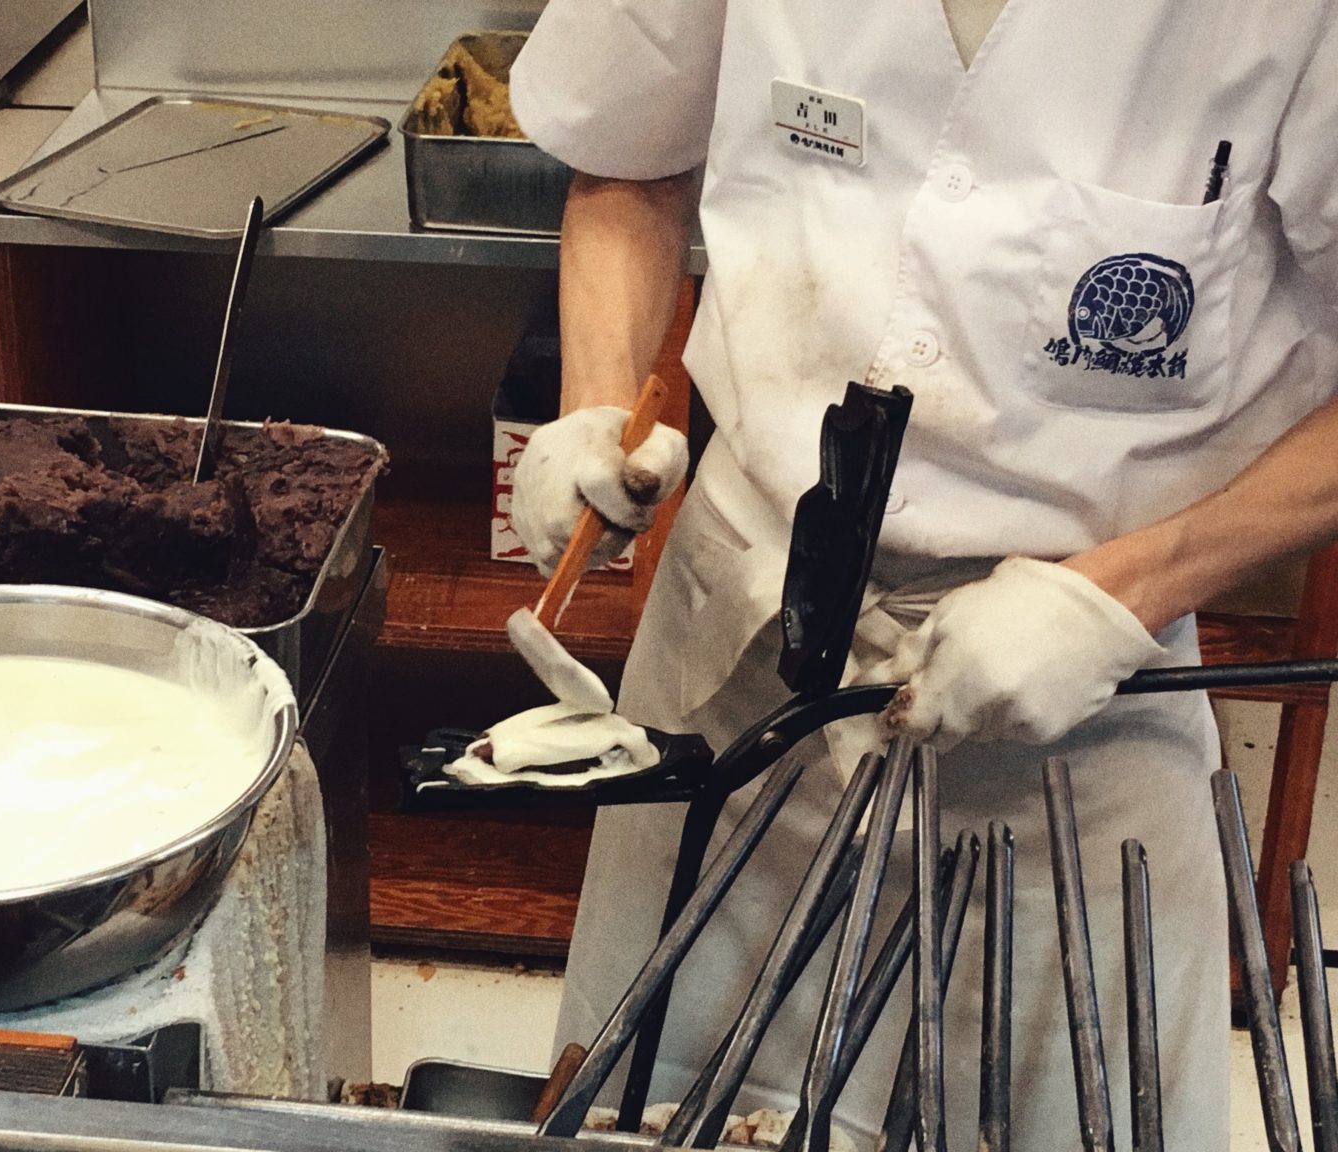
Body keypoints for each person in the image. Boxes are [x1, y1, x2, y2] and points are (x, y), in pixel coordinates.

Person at [504, 1, 1338, 1148]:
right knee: (655, 1106)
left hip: (1074, 705)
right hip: (739, 661)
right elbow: (626, 163)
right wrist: (595, 403)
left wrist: (1120, 595)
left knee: (1056, 1113)